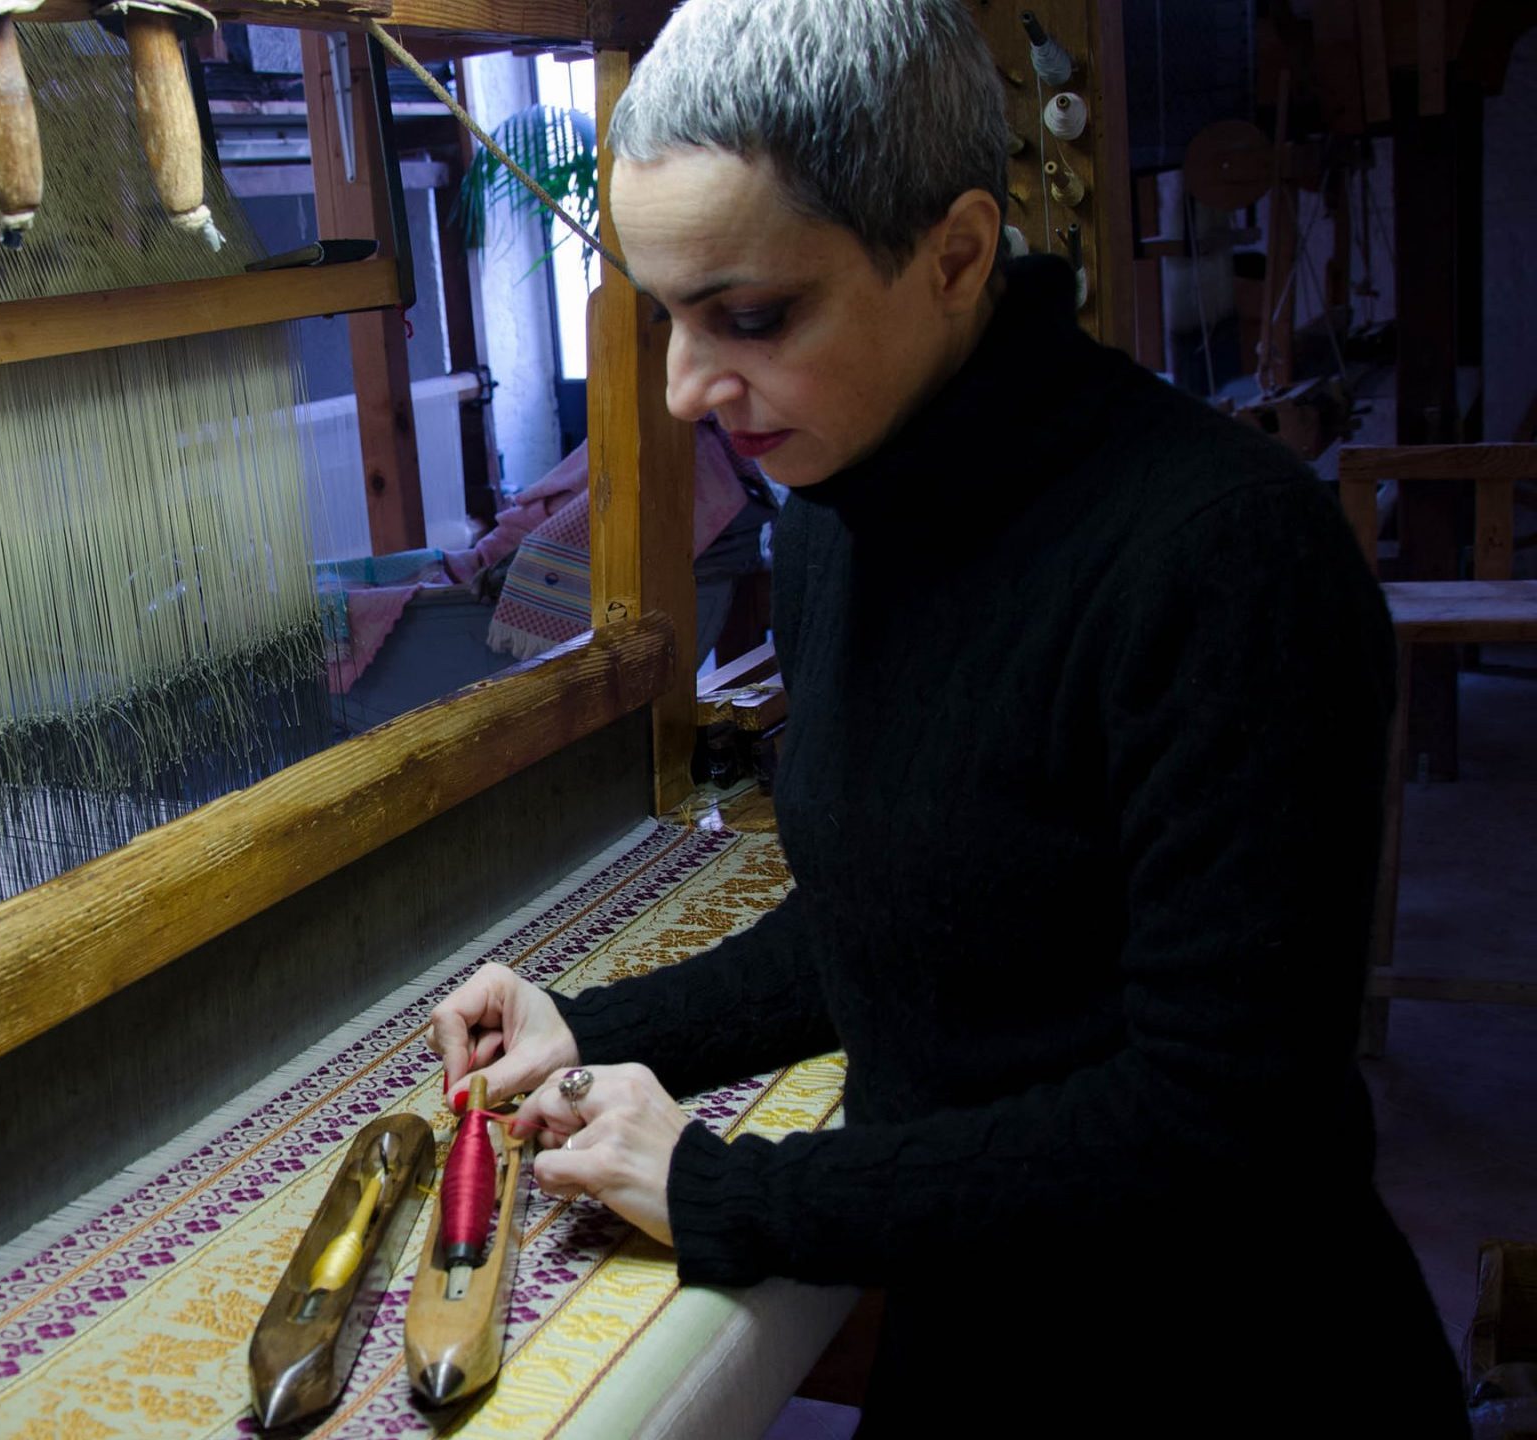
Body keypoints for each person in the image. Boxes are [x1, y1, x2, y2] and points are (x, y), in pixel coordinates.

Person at [426, 0, 1465, 1433]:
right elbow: (909, 916)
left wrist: (725, 1191)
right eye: (665, 312)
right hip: (979, 1343)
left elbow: (1216, 1124)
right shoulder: (844, 526)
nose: (681, 388)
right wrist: (587, 1028)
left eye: (750, 315)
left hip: (1228, 1366)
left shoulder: (1227, 560)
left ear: (958, 255)